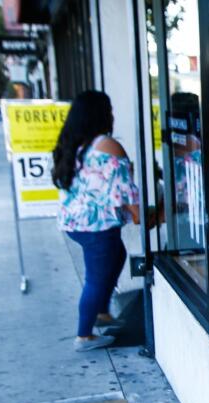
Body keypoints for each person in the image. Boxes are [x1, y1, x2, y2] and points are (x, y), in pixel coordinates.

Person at [52, 90, 140, 352]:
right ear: (101, 114)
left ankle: (101, 311)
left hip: (75, 223)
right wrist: (140, 215)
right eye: (109, 109)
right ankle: (84, 336)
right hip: (96, 227)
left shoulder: (75, 144)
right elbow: (125, 191)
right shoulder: (108, 146)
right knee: (95, 279)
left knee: (118, 254)